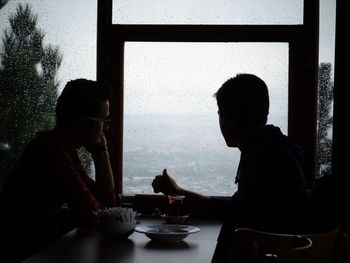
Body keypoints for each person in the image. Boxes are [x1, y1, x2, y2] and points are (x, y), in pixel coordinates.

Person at [151, 74, 312, 262]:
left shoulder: (260, 157)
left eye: (220, 113)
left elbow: (239, 217)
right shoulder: (277, 149)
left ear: (226, 118)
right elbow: (236, 208)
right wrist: (177, 193)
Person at [0, 79, 116, 262]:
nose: (106, 129)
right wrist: (101, 152)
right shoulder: (51, 151)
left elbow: (106, 206)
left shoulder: (60, 147)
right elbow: (97, 216)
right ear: (83, 124)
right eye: (104, 121)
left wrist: (101, 152)